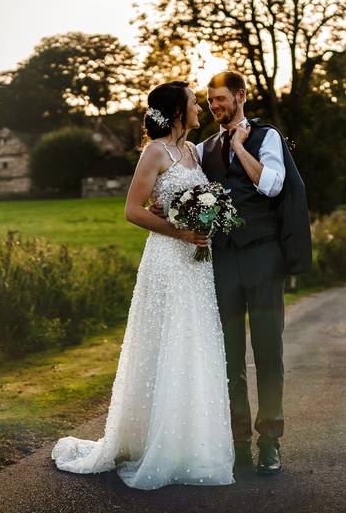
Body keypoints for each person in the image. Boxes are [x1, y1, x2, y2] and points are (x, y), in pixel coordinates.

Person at [50, 81, 234, 490]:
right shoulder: (155, 152)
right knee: (164, 341)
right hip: (168, 259)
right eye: (192, 103)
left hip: (196, 265)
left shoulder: (190, 151)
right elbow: (132, 210)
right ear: (176, 111)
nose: (200, 109)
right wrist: (180, 232)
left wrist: (204, 224)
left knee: (192, 342)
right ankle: (148, 442)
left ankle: (189, 443)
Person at [196, 70, 289, 476]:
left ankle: (270, 439)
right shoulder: (203, 149)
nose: (214, 106)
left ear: (240, 95)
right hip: (223, 262)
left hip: (263, 259)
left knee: (268, 352)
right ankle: (237, 441)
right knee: (229, 355)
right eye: (210, 100)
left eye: (220, 99)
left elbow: (271, 185)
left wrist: (239, 144)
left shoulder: (267, 138)